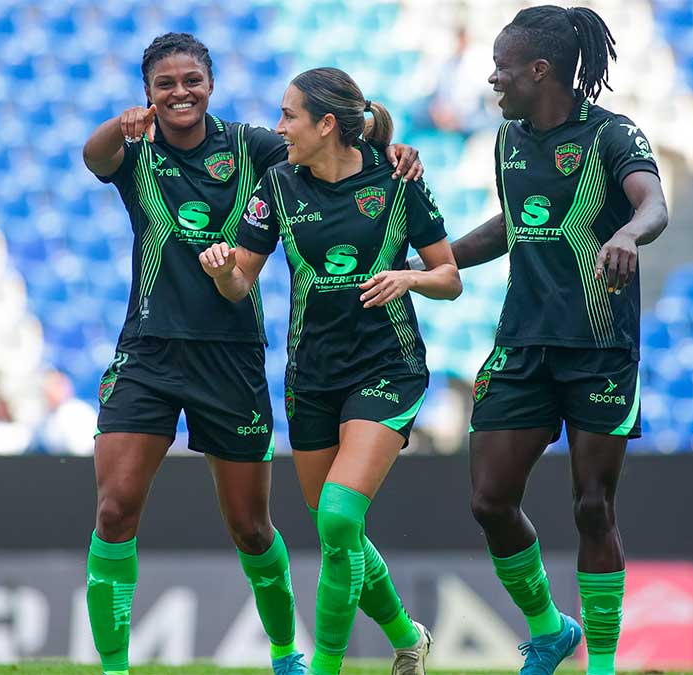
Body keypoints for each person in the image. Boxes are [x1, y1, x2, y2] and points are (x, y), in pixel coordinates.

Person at [80, 33, 426, 675]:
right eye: (164, 84)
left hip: (232, 356)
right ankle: (114, 669)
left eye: (192, 80)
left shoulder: (254, 148)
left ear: (210, 85)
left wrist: (388, 142)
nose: (180, 93)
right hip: (148, 351)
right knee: (114, 507)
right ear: (147, 93)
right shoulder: (137, 148)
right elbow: (93, 156)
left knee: (250, 526)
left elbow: (336, 135)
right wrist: (117, 125)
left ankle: (284, 653)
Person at [414, 7, 669, 675]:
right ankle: (550, 629)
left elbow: (654, 204)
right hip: (522, 345)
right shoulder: (508, 140)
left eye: (501, 67)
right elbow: (512, 226)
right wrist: (429, 263)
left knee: (593, 506)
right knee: (489, 500)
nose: (492, 79)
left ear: (540, 69)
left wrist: (627, 233)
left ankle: (601, 665)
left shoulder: (613, 134)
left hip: (599, 348)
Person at [199, 67, 462, 675]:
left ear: (324, 125)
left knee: (340, 518)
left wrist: (409, 277)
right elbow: (241, 283)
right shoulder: (276, 185)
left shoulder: (398, 178)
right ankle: (409, 639)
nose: (278, 127)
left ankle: (325, 667)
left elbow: (448, 278)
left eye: (288, 115)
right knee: (339, 533)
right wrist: (222, 272)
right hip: (312, 377)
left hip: (388, 367)